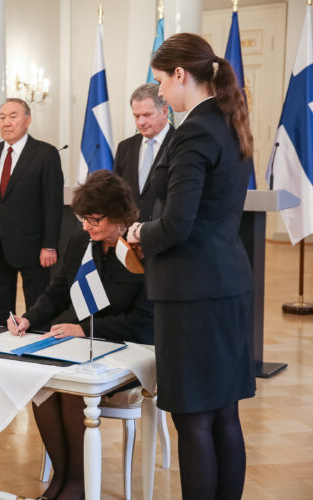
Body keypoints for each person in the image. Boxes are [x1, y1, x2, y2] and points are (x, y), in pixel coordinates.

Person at [126, 33, 255, 500]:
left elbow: (177, 224)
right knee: (223, 414)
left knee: (195, 418)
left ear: (181, 75)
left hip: (193, 293)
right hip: (227, 285)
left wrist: (141, 233)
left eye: (161, 81)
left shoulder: (197, 130)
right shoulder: (228, 121)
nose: (159, 92)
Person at [8, 170, 153, 500]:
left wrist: (85, 330)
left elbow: (143, 322)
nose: (87, 227)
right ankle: (63, 477)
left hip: (129, 347)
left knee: (73, 389)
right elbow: (58, 293)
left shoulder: (143, 247)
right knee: (43, 386)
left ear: (119, 216)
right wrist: (28, 319)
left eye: (95, 220)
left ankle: (77, 483)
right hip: (81, 344)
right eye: (83, 218)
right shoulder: (81, 241)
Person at [0, 97, 63, 326]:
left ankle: (38, 348)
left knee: (38, 307)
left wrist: (49, 245)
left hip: (34, 247)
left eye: (13, 116)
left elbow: (52, 203)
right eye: (2, 118)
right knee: (1, 309)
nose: (7, 123)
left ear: (28, 120)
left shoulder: (45, 153)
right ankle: (2, 345)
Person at [113, 83, 174, 222]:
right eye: (136, 116)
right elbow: (117, 191)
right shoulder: (125, 147)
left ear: (165, 111)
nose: (141, 122)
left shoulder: (180, 144)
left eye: (147, 115)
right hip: (128, 232)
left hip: (163, 232)